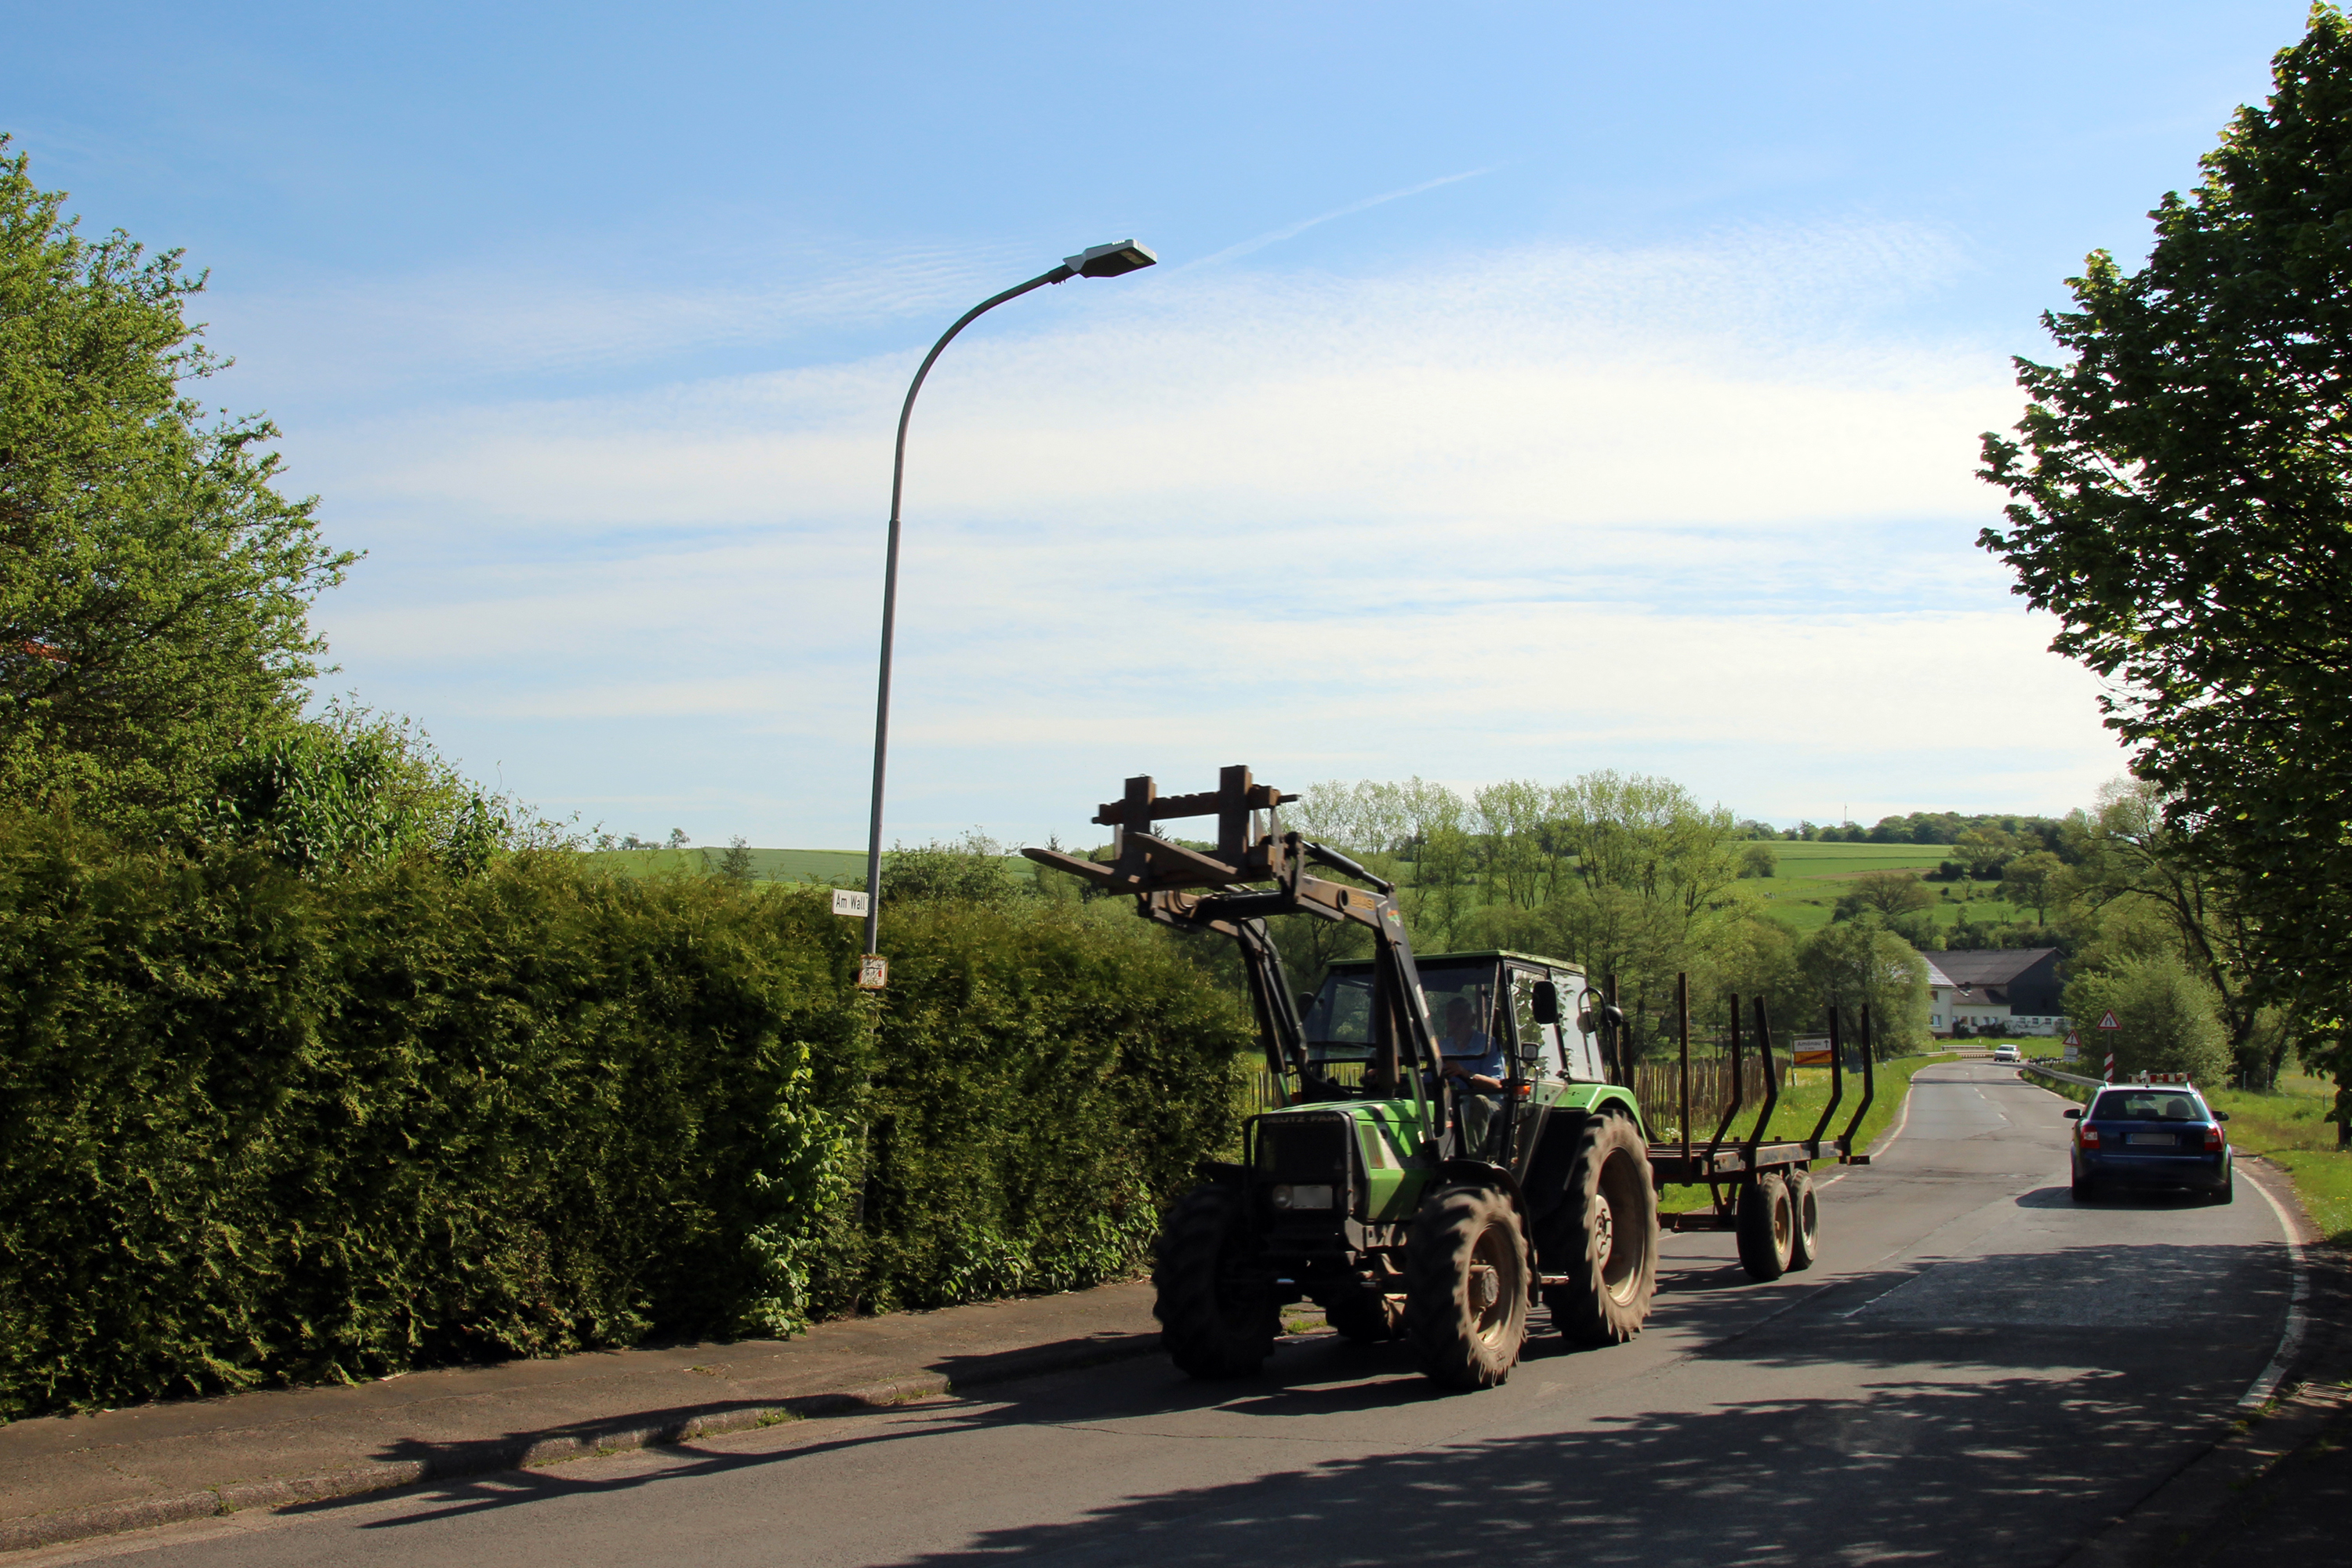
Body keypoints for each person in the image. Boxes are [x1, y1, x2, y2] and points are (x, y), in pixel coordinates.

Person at [1438, 996, 1508, 1155]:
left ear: (1473, 1020)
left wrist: (1465, 1073)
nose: (1455, 1025)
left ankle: (1472, 1161)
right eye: (1451, 1020)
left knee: (1478, 1101)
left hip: (1486, 1106)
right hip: (1449, 1102)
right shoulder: (1442, 1047)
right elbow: (1427, 1079)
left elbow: (1498, 1085)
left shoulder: (1488, 1045)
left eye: (1460, 1020)